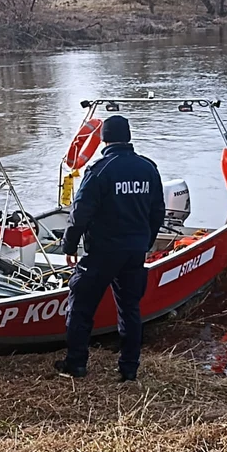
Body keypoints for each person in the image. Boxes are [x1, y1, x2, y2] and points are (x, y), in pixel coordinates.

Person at [55, 115, 165, 382]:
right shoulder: (148, 168)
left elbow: (80, 213)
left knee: (80, 307)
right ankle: (129, 369)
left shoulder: (100, 170)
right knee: (130, 309)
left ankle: (76, 364)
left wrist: (69, 245)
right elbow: (157, 211)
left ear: (103, 139)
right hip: (134, 252)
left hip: (102, 253)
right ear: (128, 137)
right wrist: (146, 242)